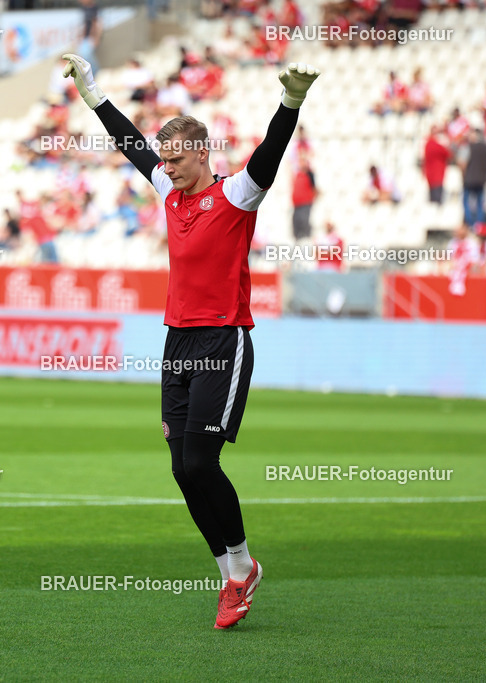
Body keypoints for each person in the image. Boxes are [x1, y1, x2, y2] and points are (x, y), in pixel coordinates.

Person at [63, 53, 320, 629]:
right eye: (166, 160)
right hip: (175, 342)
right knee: (182, 468)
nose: (169, 168)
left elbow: (270, 157)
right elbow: (132, 145)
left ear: (202, 152)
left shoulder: (236, 196)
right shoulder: (169, 194)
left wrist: (291, 102)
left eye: (178, 160)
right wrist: (94, 95)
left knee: (203, 460)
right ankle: (235, 568)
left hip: (222, 342)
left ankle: (239, 571)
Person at [423, 124, 450, 204]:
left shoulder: (427, 144)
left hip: (431, 177)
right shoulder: (434, 144)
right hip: (437, 177)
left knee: (433, 202)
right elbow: (447, 153)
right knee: (437, 203)